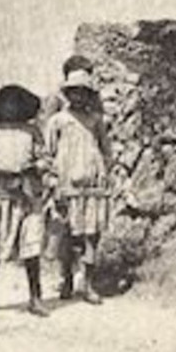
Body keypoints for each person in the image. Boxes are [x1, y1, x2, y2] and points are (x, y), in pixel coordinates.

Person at [0, 83, 51, 316]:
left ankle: (36, 297)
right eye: (7, 103)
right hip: (2, 196)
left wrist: (36, 167)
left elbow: (45, 158)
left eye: (16, 103)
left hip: (27, 197)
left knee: (31, 247)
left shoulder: (31, 131)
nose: (11, 108)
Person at [44, 58, 112, 305]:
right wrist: (52, 180)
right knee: (68, 235)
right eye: (74, 92)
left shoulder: (96, 120)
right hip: (67, 183)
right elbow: (47, 153)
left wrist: (104, 171)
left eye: (83, 92)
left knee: (91, 235)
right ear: (67, 93)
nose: (78, 97)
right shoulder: (58, 121)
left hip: (92, 184)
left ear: (89, 94)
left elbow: (106, 149)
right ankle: (67, 279)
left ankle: (89, 283)